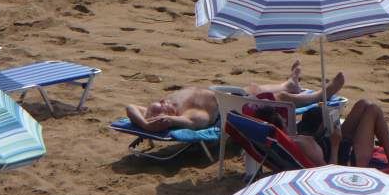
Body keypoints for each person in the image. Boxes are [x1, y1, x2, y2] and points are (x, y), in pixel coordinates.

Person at [125, 60, 345, 132]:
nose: (164, 102)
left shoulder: (166, 107)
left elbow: (130, 107)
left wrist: (144, 121)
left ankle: (289, 83)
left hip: (230, 93)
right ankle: (318, 95)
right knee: (279, 99)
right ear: (166, 118)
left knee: (255, 88)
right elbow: (194, 122)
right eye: (162, 108)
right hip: (236, 107)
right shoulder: (191, 114)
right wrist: (164, 122)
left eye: (160, 102)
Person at [256, 98, 389, 167]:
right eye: (283, 120)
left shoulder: (288, 140)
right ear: (281, 125)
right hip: (349, 160)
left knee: (363, 104)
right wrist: (336, 143)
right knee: (373, 109)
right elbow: (329, 172)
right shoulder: (300, 143)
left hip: (338, 145)